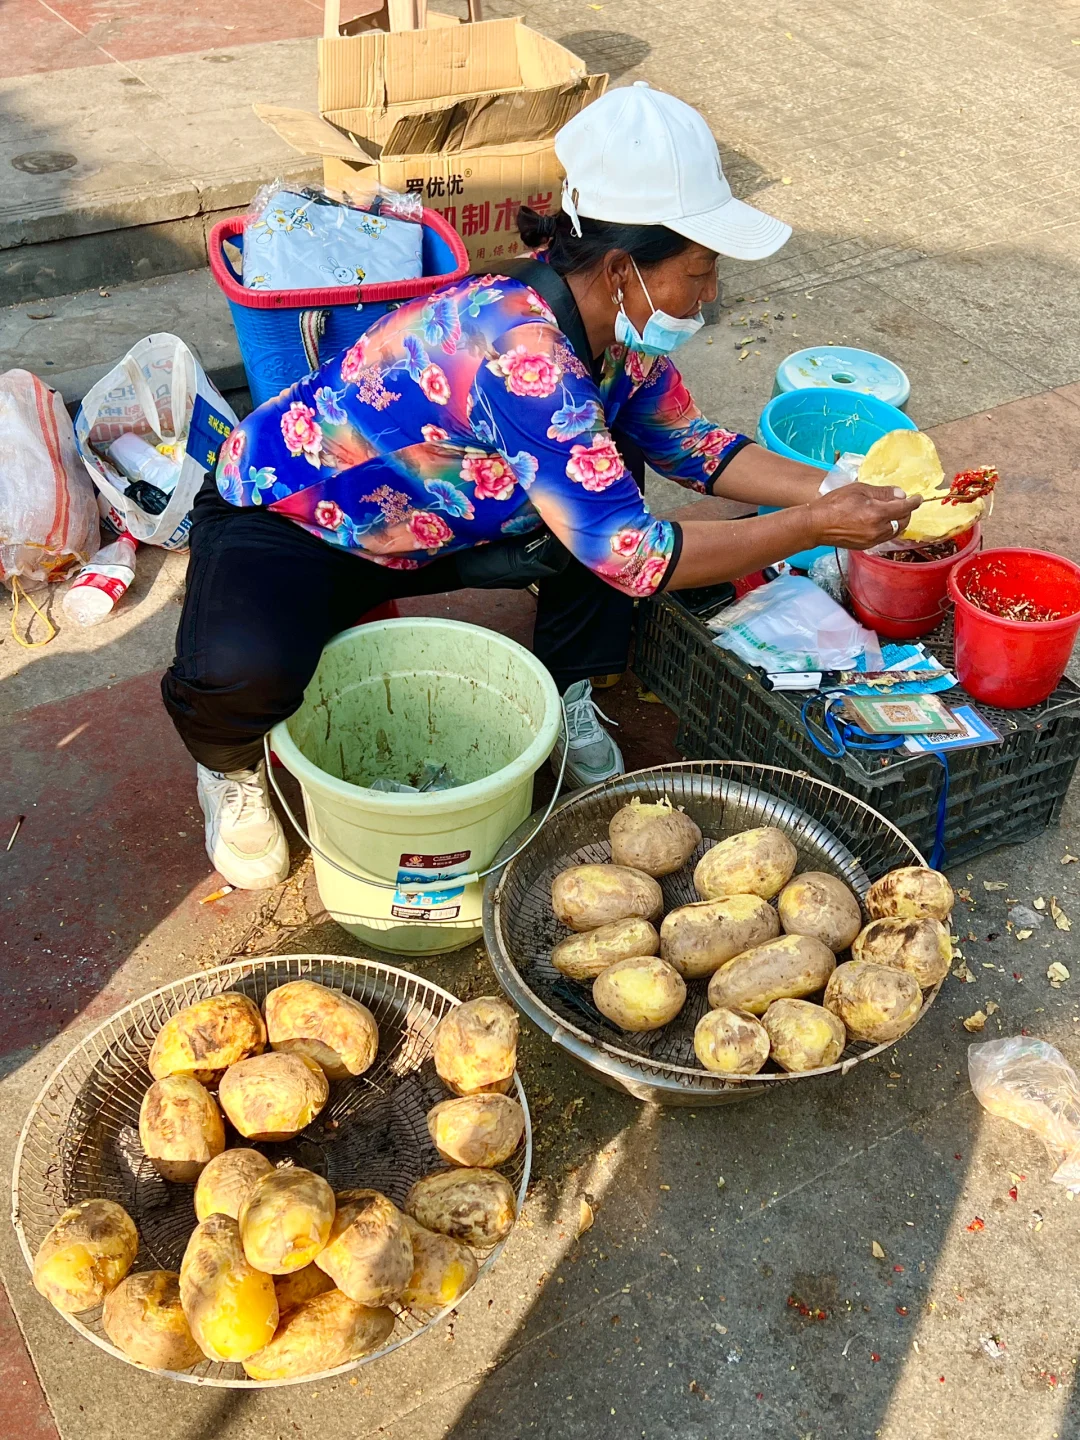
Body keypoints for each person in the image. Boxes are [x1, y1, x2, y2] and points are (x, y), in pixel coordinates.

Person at [162, 81, 918, 891]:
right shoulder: (520, 352)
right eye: (699, 273)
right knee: (243, 669)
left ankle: (570, 685)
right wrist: (815, 527)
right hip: (303, 517)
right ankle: (228, 766)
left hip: (445, 518)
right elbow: (638, 558)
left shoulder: (614, 334)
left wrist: (842, 486)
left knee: (606, 484)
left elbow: (695, 447)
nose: (709, 297)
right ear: (625, 265)